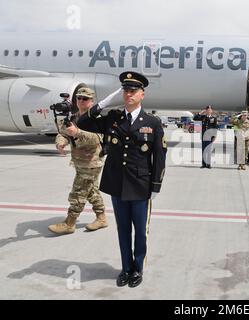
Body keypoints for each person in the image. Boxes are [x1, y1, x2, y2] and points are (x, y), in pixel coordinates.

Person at [77, 71, 167, 288]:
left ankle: (138, 268)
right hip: (117, 184)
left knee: (141, 232)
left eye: (133, 90)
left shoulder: (152, 122)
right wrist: (106, 100)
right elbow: (83, 122)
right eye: (125, 90)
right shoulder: (113, 119)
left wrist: (156, 185)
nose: (128, 94)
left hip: (141, 185)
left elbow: (159, 156)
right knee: (123, 229)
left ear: (142, 95)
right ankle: (126, 268)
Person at [48, 87, 107, 235]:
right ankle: (101, 218)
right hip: (79, 161)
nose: (81, 101)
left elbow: (98, 138)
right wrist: (60, 142)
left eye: (85, 99)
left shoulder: (97, 119)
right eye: (79, 98)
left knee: (78, 192)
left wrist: (78, 132)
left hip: (91, 162)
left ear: (92, 101)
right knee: (91, 191)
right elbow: (63, 132)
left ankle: (70, 223)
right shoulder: (73, 117)